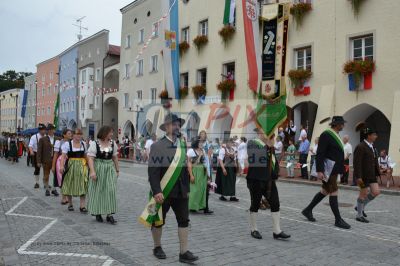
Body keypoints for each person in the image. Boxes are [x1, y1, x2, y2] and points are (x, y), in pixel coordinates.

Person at [139, 113, 198, 264]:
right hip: (163, 191)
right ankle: (157, 247)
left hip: (181, 190)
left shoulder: (183, 144)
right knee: (157, 220)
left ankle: (184, 252)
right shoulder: (157, 146)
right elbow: (153, 172)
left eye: (178, 124)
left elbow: (185, 165)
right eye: (173, 124)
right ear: (166, 127)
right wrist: (157, 190)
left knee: (184, 220)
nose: (177, 126)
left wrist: (188, 179)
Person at [301, 116, 351, 229]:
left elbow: (336, 153)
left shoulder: (336, 135)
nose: (343, 125)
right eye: (342, 123)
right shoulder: (326, 134)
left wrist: (341, 169)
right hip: (328, 169)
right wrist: (319, 170)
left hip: (334, 168)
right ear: (336, 124)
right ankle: (338, 220)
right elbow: (320, 153)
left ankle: (307, 210)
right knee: (334, 191)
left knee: (325, 191)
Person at [246, 128, 290, 240]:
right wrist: (268, 146)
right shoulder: (253, 143)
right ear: (260, 133)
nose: (271, 136)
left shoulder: (270, 145)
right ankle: (254, 229)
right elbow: (256, 160)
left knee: (275, 203)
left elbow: (273, 161)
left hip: (269, 180)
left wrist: (275, 173)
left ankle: (277, 231)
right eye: (268, 132)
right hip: (256, 179)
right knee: (255, 203)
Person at [87, 126, 119, 224]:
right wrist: (92, 171)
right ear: (105, 133)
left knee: (110, 190)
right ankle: (98, 213)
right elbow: (90, 158)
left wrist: (117, 170)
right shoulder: (94, 144)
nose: (112, 134)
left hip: (109, 168)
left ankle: (109, 214)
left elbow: (114, 157)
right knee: (99, 191)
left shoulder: (113, 143)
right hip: (99, 167)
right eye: (110, 132)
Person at [353, 128, 381, 223]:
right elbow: (357, 163)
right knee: (363, 193)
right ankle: (359, 215)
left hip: (372, 175)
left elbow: (374, 160)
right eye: (374, 134)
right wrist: (358, 177)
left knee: (376, 192)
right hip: (362, 176)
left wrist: (377, 171)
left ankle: (359, 207)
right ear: (369, 135)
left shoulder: (372, 146)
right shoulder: (361, 146)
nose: (376, 136)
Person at [60, 129, 88, 213]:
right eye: (77, 134)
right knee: (69, 183)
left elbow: (86, 156)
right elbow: (63, 156)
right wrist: (61, 166)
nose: (79, 136)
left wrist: (89, 166)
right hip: (71, 166)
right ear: (73, 135)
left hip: (81, 166)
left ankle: (82, 206)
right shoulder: (67, 144)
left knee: (83, 184)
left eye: (80, 134)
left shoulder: (84, 144)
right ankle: (70, 204)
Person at [187, 137, 212, 214]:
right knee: (194, 190)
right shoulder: (191, 151)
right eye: (200, 143)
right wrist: (191, 175)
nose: (201, 144)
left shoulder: (203, 150)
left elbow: (205, 163)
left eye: (202, 143)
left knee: (202, 190)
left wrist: (208, 175)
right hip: (195, 170)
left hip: (202, 171)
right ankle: (192, 207)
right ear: (196, 143)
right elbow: (190, 164)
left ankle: (201, 206)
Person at [37, 124, 59, 197]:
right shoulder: (42, 139)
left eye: (53, 129)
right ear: (48, 131)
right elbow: (39, 151)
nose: (53, 130)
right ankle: (47, 189)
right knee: (46, 175)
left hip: (55, 160)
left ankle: (54, 189)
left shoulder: (57, 139)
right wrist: (39, 161)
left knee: (55, 175)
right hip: (46, 160)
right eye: (51, 129)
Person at [53, 128, 72, 205]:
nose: (71, 135)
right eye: (69, 133)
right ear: (64, 135)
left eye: (71, 133)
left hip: (70, 162)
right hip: (61, 162)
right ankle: (63, 197)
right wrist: (53, 166)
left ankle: (67, 196)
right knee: (62, 179)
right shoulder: (59, 142)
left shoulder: (73, 143)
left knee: (69, 179)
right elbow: (55, 155)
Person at [28, 124, 46, 189]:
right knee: (37, 168)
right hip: (36, 153)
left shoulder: (47, 137)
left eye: (44, 130)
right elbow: (30, 145)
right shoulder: (34, 137)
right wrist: (31, 151)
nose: (43, 131)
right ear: (39, 130)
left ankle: (45, 183)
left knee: (45, 169)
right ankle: (37, 182)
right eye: (42, 130)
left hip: (44, 154)